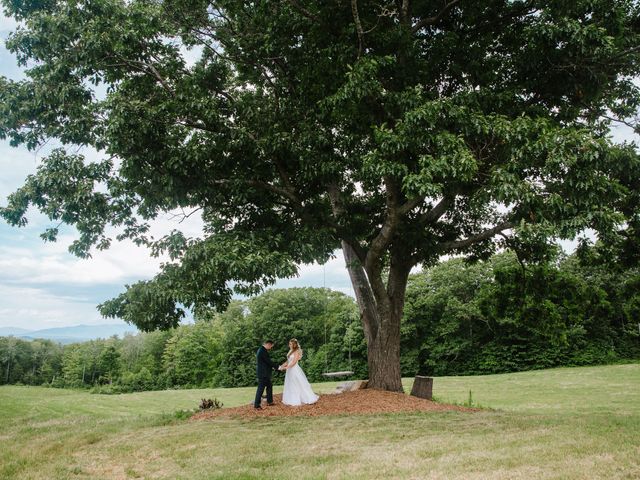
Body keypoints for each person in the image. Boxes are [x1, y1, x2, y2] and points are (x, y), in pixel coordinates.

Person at [279, 338, 319, 406]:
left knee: (297, 383)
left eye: (290, 344)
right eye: (289, 344)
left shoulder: (297, 351)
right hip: (289, 370)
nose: (289, 345)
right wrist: (282, 366)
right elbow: (288, 361)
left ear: (294, 344)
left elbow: (294, 362)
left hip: (294, 369)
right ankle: (291, 399)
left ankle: (306, 398)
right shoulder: (290, 351)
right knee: (291, 384)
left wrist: (286, 367)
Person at [254, 340, 280, 409]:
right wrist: (277, 367)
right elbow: (268, 361)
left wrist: (272, 367)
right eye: (271, 346)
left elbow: (265, 363)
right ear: (268, 344)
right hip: (263, 374)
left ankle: (269, 401)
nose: (271, 348)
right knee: (260, 388)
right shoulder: (262, 351)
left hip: (264, 373)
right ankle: (256, 405)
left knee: (269, 385)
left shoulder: (262, 350)